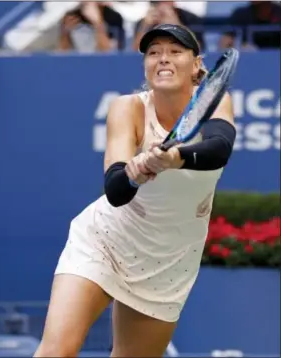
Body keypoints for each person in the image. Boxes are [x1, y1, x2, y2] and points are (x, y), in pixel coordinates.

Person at [35, 24, 236, 357]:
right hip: (105, 241)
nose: (163, 59)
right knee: (56, 352)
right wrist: (135, 173)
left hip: (169, 260)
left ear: (197, 64)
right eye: (154, 52)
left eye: (175, 51)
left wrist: (173, 158)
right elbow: (116, 190)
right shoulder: (126, 107)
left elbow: (219, 148)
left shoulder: (215, 101)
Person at [133, 1, 205, 52]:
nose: (162, 6)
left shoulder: (190, 18)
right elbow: (135, 51)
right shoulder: (145, 21)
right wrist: (145, 26)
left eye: (165, 1)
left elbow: (198, 48)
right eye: (158, 2)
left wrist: (176, 24)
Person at [58, 1, 125, 53]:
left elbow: (110, 55)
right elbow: (62, 55)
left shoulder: (113, 17)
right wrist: (65, 34)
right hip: (78, 66)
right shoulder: (71, 17)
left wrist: (98, 23)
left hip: (102, 66)